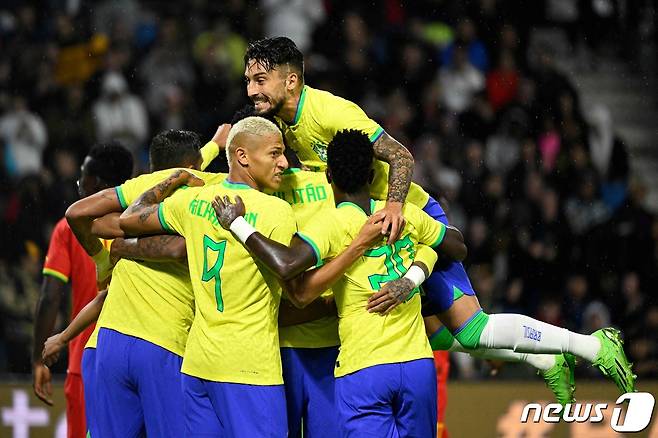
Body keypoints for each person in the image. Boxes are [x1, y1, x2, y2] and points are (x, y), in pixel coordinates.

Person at [118, 117, 383, 437]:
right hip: (250, 369)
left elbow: (130, 216)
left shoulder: (193, 201)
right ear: (243, 157)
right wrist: (350, 260)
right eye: (274, 154)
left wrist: (176, 178)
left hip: (199, 366)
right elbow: (298, 294)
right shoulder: (275, 212)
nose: (284, 162)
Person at [212, 129, 468, 437]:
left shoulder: (333, 224)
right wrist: (413, 275)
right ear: (373, 174)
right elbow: (457, 247)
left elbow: (286, 264)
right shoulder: (404, 216)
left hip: (364, 368)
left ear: (329, 175)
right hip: (416, 365)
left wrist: (236, 223)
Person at [64, 129, 225, 438]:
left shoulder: (141, 188)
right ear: (197, 165)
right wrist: (217, 146)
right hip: (164, 341)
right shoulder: (207, 189)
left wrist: (111, 254)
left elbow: (82, 216)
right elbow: (179, 248)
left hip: (109, 340)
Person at [32, 142, 133, 438]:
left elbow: (50, 296)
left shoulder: (69, 228)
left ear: (99, 184)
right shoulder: (141, 222)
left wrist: (38, 359)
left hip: (87, 356)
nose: (79, 180)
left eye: (83, 174)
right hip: (137, 352)